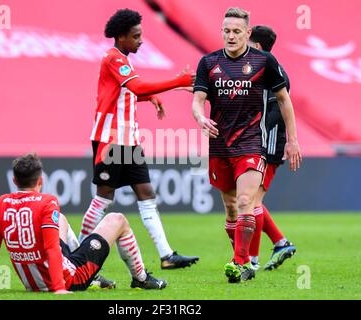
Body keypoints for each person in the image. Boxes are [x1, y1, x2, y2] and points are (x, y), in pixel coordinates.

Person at [79, 8, 199, 270]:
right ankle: (79, 255)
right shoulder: (113, 59)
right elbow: (136, 87)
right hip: (110, 142)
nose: (141, 40)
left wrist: (156, 95)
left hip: (130, 142)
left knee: (146, 193)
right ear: (121, 37)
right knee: (103, 199)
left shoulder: (124, 59)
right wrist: (177, 80)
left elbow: (131, 93)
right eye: (136, 36)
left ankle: (167, 255)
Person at [192, 8, 302, 283]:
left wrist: (293, 140)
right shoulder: (208, 62)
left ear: (247, 33)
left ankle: (241, 262)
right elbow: (197, 99)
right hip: (219, 144)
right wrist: (200, 117)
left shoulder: (265, 61)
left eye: (237, 31)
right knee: (231, 207)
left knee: (246, 201)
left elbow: (285, 99)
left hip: (252, 142)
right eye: (227, 31)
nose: (231, 36)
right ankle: (246, 258)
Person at [0, 153, 167, 294]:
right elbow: (50, 248)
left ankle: (92, 275)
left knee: (61, 220)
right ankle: (140, 278)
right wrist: (59, 289)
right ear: (40, 181)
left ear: (14, 181)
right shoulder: (47, 202)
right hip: (68, 279)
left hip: (32, 283)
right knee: (117, 219)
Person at [247, 25, 296, 271]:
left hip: (268, 144)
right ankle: (280, 242)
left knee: (252, 202)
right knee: (247, 200)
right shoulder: (253, 69)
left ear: (257, 46)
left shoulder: (272, 70)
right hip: (254, 142)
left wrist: (292, 141)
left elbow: (286, 104)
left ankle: (251, 261)